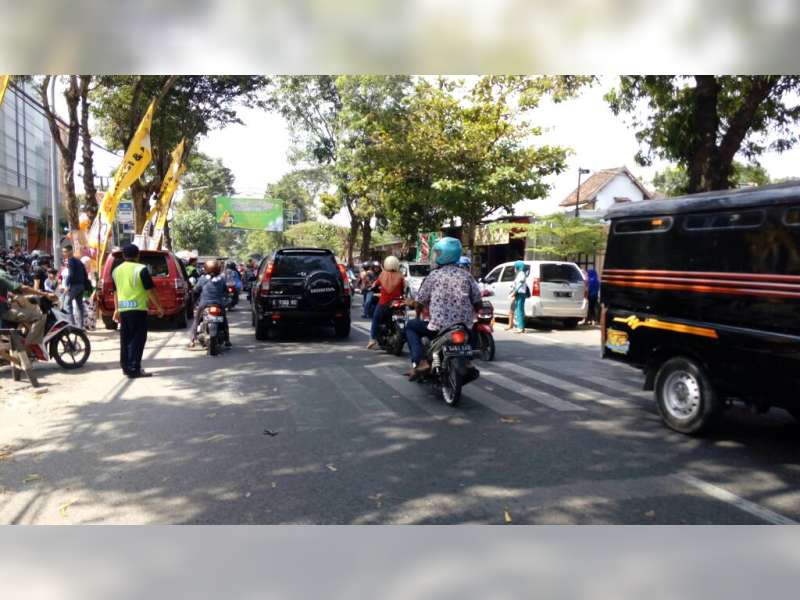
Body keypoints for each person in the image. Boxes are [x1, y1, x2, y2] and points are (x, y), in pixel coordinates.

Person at [404, 237, 482, 378]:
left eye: (438, 253)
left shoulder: (434, 276)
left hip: (439, 327)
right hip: (463, 327)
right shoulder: (467, 275)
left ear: (445, 255)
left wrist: (417, 313)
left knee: (410, 326)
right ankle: (468, 360)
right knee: (473, 328)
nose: (436, 256)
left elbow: (420, 301)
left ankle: (421, 361)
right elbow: (478, 301)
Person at [111, 243, 165, 378]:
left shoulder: (116, 270)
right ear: (138, 255)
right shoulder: (141, 269)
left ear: (124, 256)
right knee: (137, 339)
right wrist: (159, 307)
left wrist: (116, 309)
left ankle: (126, 367)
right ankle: (134, 368)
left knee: (126, 339)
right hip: (138, 310)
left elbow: (115, 292)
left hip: (124, 309)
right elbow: (150, 290)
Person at [0, 260, 58, 353]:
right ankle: (30, 346)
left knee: (25, 308)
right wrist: (45, 294)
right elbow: (23, 288)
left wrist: (13, 296)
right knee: (38, 315)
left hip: (5, 306)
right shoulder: (1, 274)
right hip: (3, 310)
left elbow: (9, 291)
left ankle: (24, 338)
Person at [189, 259, 230, 349]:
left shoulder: (202, 279)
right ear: (218, 269)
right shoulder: (221, 280)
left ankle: (192, 341)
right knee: (224, 320)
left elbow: (196, 290)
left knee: (196, 320)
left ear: (206, 269)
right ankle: (227, 340)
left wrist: (194, 301)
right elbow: (226, 292)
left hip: (204, 304)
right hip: (219, 304)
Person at [367, 255, 406, 349]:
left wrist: (372, 287)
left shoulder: (382, 275)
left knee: (376, 319)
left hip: (384, 302)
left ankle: (372, 339)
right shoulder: (400, 275)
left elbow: (374, 285)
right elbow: (403, 289)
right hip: (398, 303)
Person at [62, 244, 88, 328]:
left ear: (70, 252)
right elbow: (85, 273)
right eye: (63, 252)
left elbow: (71, 274)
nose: (63, 253)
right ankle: (81, 327)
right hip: (81, 286)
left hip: (74, 286)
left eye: (65, 251)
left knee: (67, 303)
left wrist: (66, 285)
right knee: (79, 306)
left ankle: (72, 326)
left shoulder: (71, 260)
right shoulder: (78, 260)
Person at [509, 260, 528, 334]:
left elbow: (519, 284)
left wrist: (514, 292)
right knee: (519, 310)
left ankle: (520, 327)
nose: (515, 268)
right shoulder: (520, 273)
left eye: (516, 266)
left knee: (519, 310)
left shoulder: (521, 274)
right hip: (520, 293)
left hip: (520, 293)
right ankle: (520, 326)